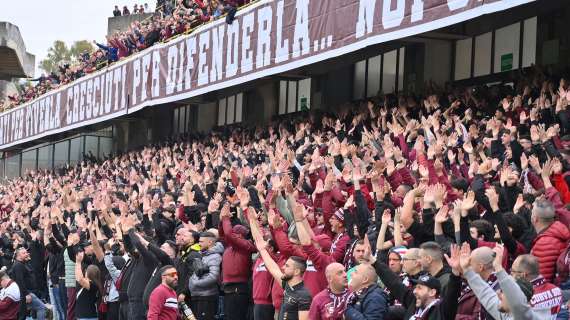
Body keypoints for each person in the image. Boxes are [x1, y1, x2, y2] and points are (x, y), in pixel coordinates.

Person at [374, 244, 463, 319]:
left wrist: (455, 272)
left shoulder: (441, 310)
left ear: (432, 292)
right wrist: (373, 261)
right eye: (416, 287)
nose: (415, 291)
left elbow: (452, 295)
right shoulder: (414, 301)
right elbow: (394, 283)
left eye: (419, 288)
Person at [462, 244, 541, 320]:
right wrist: (467, 270)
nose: (498, 294)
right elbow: (486, 295)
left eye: (504, 292)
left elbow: (517, 303)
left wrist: (498, 268)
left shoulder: (523, 317)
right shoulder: (507, 316)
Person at [255, 235, 311, 320]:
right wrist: (262, 250)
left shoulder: (304, 295)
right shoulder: (287, 286)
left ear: (296, 272)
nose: (283, 267)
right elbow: (273, 268)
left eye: (287, 266)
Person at [219, 203, 256, 320]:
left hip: (239, 289)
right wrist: (221, 221)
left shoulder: (246, 245)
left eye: (235, 234)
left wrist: (226, 219)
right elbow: (223, 235)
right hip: (229, 289)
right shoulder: (231, 246)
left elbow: (228, 235)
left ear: (240, 235)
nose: (231, 236)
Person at [529, 199, 570, 284]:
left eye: (532, 212)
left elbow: (542, 280)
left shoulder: (545, 244)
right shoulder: (558, 229)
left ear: (535, 219)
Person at [511, 254, 562, 318]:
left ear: (523, 275)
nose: (511, 274)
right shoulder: (557, 290)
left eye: (513, 271)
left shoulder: (523, 297)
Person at [188, 232, 223, 320]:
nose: (199, 244)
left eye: (202, 241)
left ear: (210, 242)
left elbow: (213, 277)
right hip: (198, 295)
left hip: (206, 297)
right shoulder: (204, 254)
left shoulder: (215, 256)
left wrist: (195, 283)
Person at [10, 247, 46, 320]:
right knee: (41, 307)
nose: (26, 254)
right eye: (24, 253)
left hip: (27, 293)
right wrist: (26, 294)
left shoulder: (22, 263)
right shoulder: (18, 266)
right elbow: (20, 282)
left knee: (24, 314)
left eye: (26, 252)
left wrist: (27, 259)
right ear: (18, 256)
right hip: (24, 294)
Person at [75, 251, 103, 320]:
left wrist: (78, 262)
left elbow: (79, 279)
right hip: (84, 316)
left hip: (87, 317)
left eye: (86, 271)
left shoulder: (93, 285)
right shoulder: (95, 284)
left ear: (89, 273)